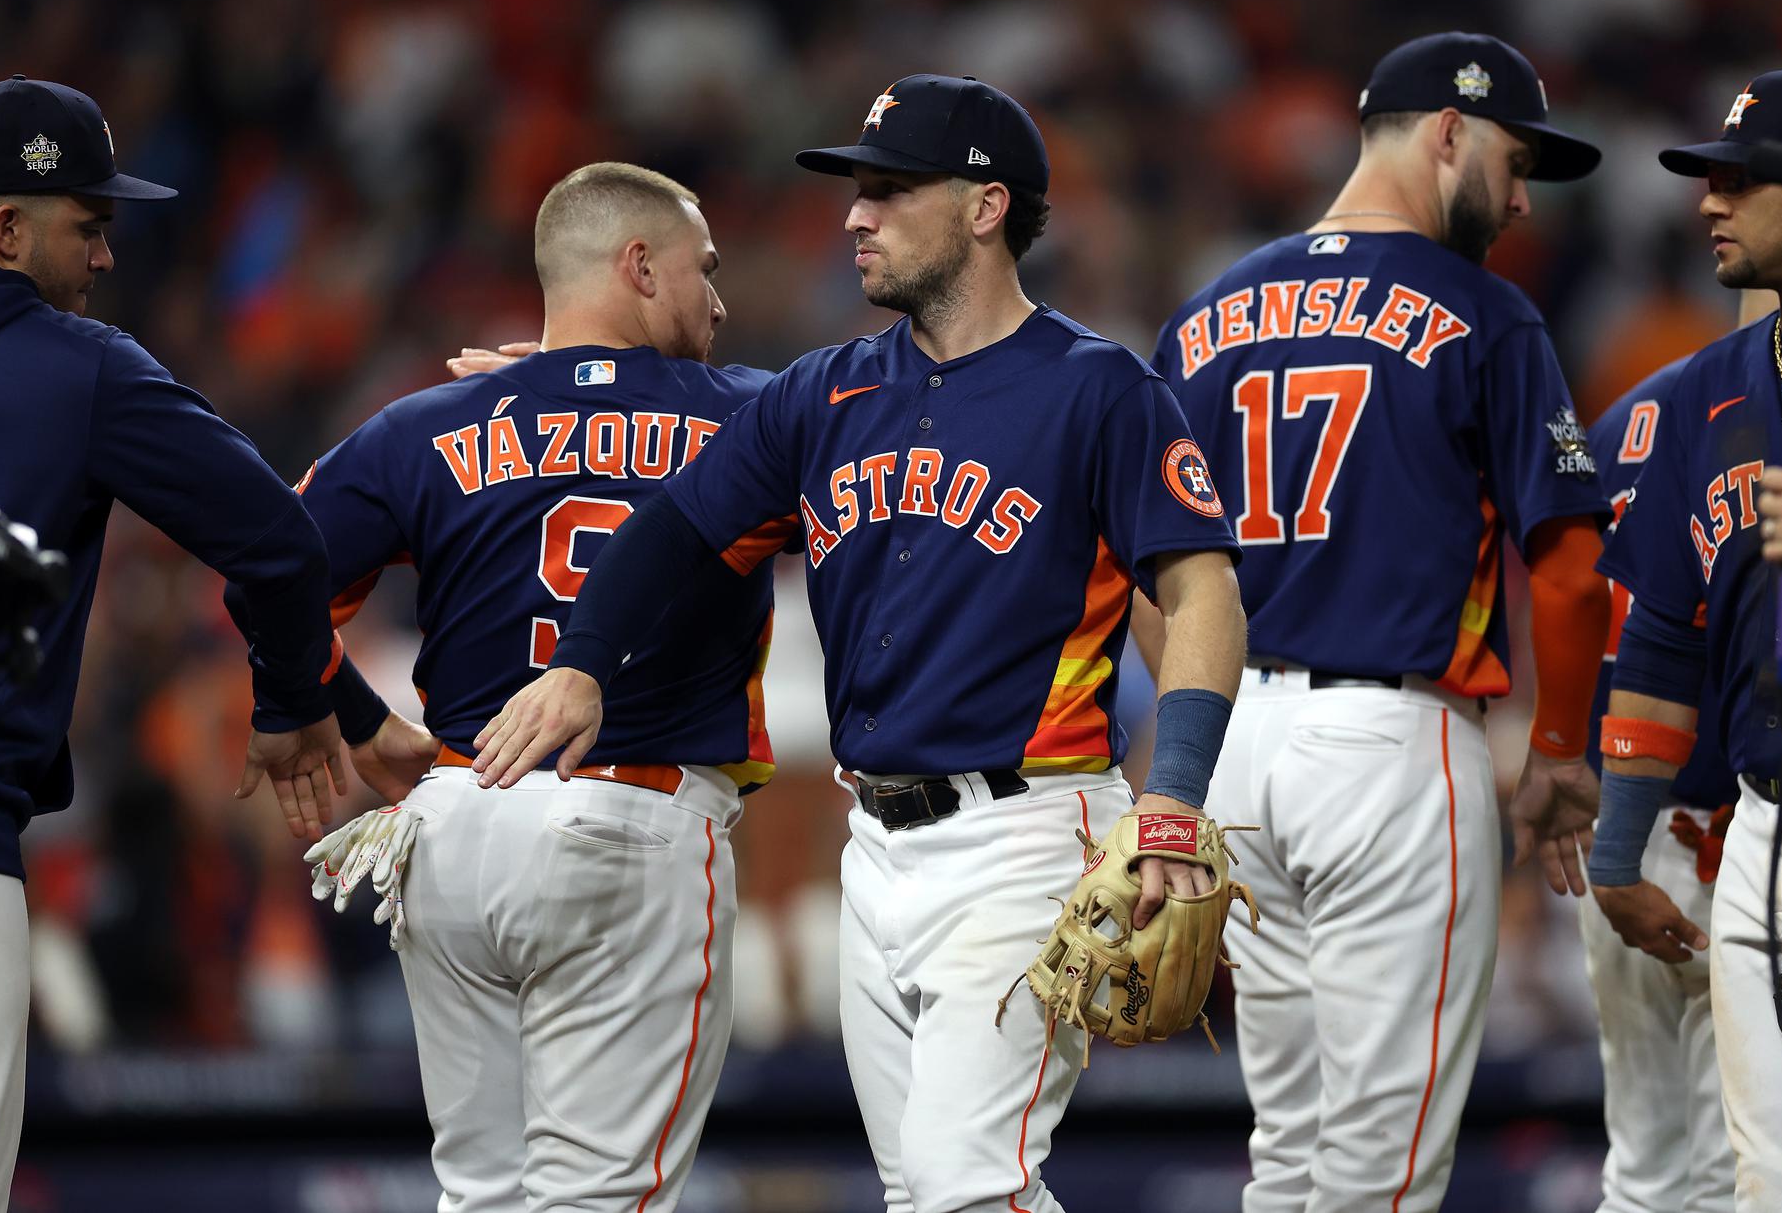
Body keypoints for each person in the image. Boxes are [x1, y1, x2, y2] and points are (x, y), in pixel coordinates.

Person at [472, 74, 1246, 1213]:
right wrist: (582, 660)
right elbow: (675, 525)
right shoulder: (825, 391)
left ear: (986, 208)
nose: (854, 215)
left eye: (887, 190)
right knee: (926, 1192)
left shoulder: (1099, 390)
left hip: (1024, 836)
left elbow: (1206, 596)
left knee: (965, 1187)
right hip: (872, 852)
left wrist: (1173, 795)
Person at [234, 162, 783, 1212]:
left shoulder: (426, 421)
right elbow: (885, 428)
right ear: (637, 267)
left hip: (452, 820)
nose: (718, 299)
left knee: (482, 1194)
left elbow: (268, 571)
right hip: (630, 817)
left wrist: (348, 719)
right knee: (603, 1197)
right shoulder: (754, 418)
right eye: (700, 270)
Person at [1142, 32, 1611, 1211]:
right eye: (1510, 162)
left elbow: (1150, 571)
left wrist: (1197, 765)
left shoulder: (1209, 308)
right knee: (1381, 1172)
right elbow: (1566, 565)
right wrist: (1560, 749)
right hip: (1390, 750)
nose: (1516, 199)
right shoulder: (1487, 314)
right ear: (1446, 132)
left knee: (1287, 1153)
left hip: (1239, 747)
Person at [0, 75, 344, 1213]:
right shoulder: (78, 366)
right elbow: (283, 546)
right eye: (86, 226)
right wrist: (292, 702)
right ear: (5, 229)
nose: (103, 258)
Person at [1590, 69, 1782, 1212]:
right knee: (1769, 1191)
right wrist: (1620, 848)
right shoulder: (1697, 395)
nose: (1709, 202)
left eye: (1738, 178)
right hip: (1759, 831)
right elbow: (1663, 640)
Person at [1577, 357, 1737, 1213]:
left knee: (1642, 1171)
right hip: (1735, 831)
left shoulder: (1622, 415)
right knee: (1736, 1177)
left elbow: (1564, 594)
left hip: (1620, 828)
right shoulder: (1769, 410)